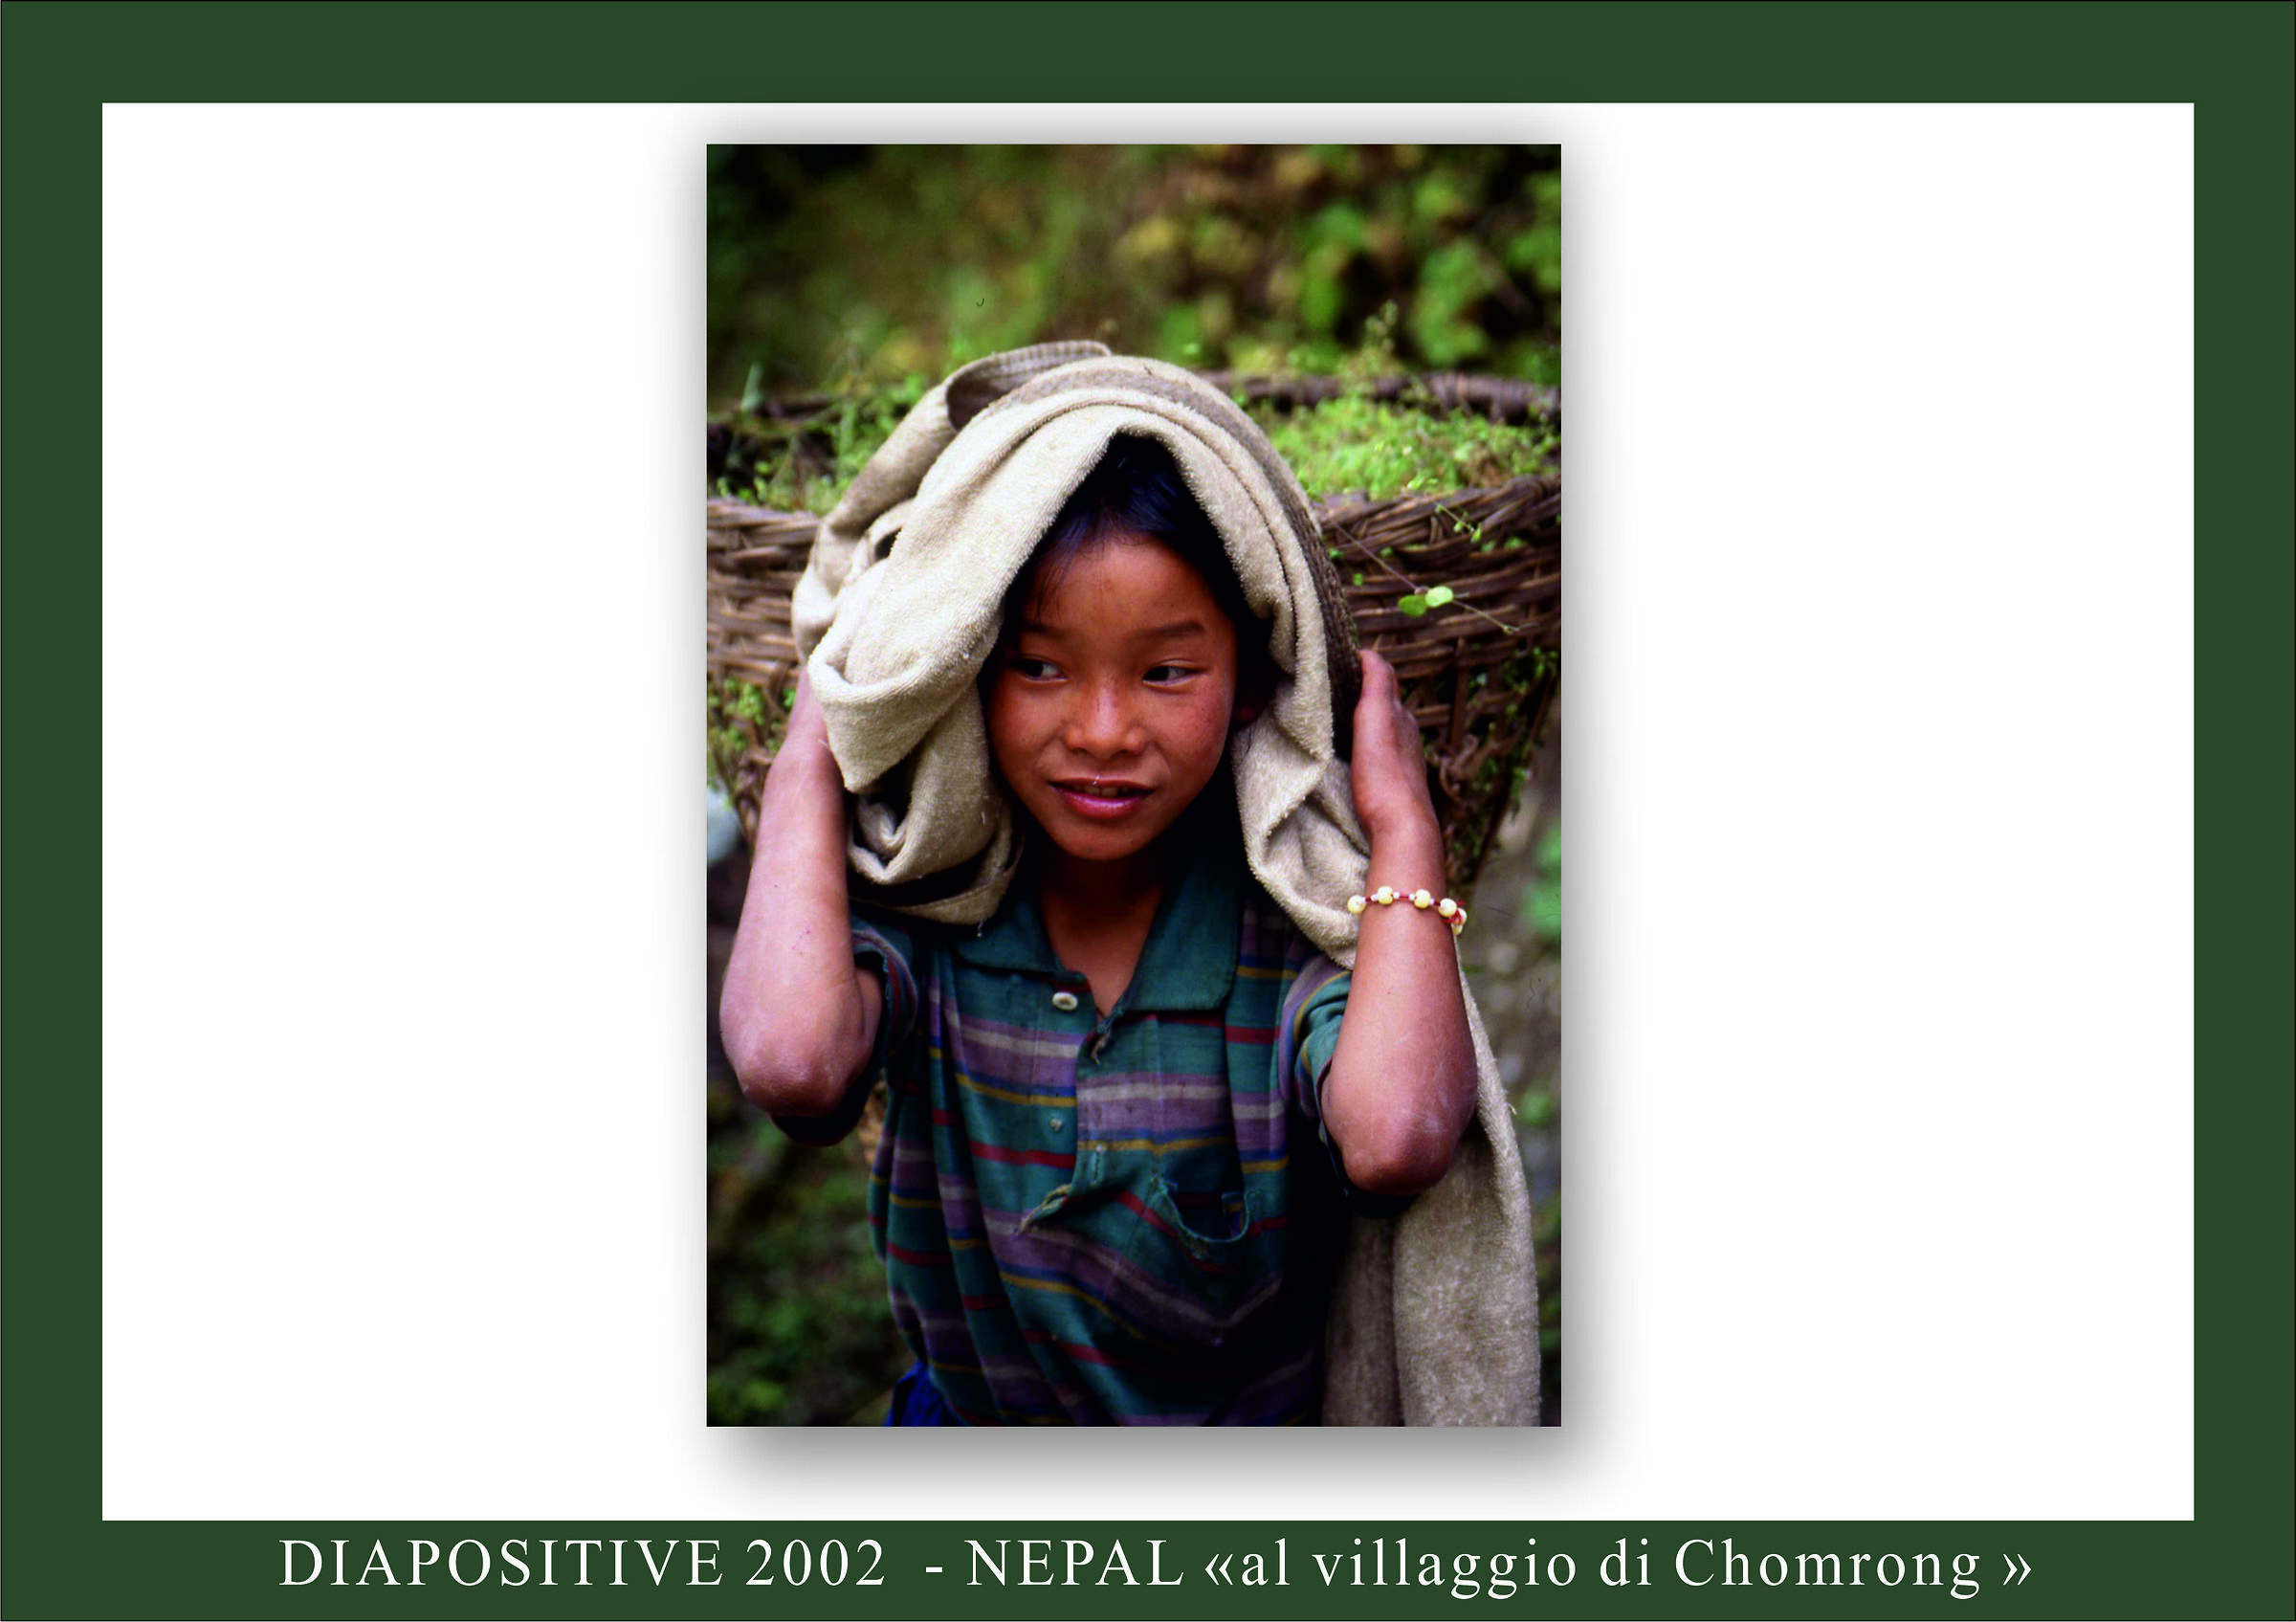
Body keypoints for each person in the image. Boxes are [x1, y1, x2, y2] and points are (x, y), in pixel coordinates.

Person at [721, 349, 1528, 1425]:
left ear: (1255, 682)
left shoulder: (1273, 936)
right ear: (965, 671)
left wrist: (1404, 831)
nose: (1103, 732)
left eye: (1165, 671)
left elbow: (1398, 1140)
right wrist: (809, 757)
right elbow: (793, 1066)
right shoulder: (941, 905)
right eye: (1040, 666)